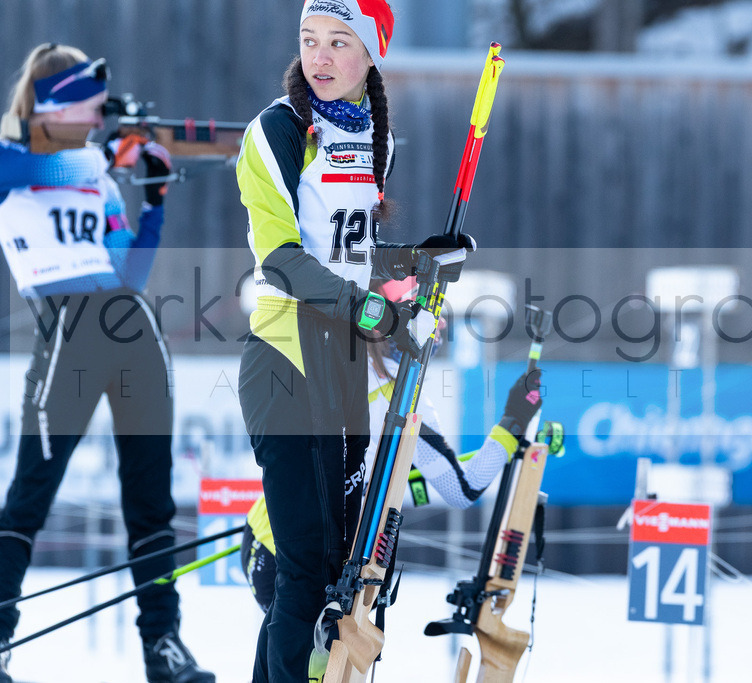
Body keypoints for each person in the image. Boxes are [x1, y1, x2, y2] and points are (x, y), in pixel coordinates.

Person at [234, 2, 474, 681]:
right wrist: (378, 315)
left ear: (371, 55)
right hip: (285, 356)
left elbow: (355, 257)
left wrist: (422, 267)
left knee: (343, 563)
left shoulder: (378, 141)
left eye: (340, 42)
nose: (321, 57)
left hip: (342, 364)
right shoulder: (277, 131)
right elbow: (283, 258)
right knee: (305, 564)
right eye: (311, 40)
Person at [0, 43, 215, 683]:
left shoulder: (92, 175)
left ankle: (164, 648)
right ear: (55, 105)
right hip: (66, 328)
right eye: (89, 109)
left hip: (130, 326)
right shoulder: (21, 159)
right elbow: (29, 169)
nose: (98, 121)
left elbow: (130, 272)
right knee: (29, 499)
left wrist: (153, 202)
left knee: (151, 505)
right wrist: (100, 160)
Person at [240, 278, 544, 614]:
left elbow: (376, 478)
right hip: (295, 551)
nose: (438, 327)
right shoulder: (402, 400)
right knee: (308, 663)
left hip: (271, 533)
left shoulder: (343, 359)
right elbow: (462, 487)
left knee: (299, 662)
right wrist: (514, 419)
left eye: (437, 318)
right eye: (427, 317)